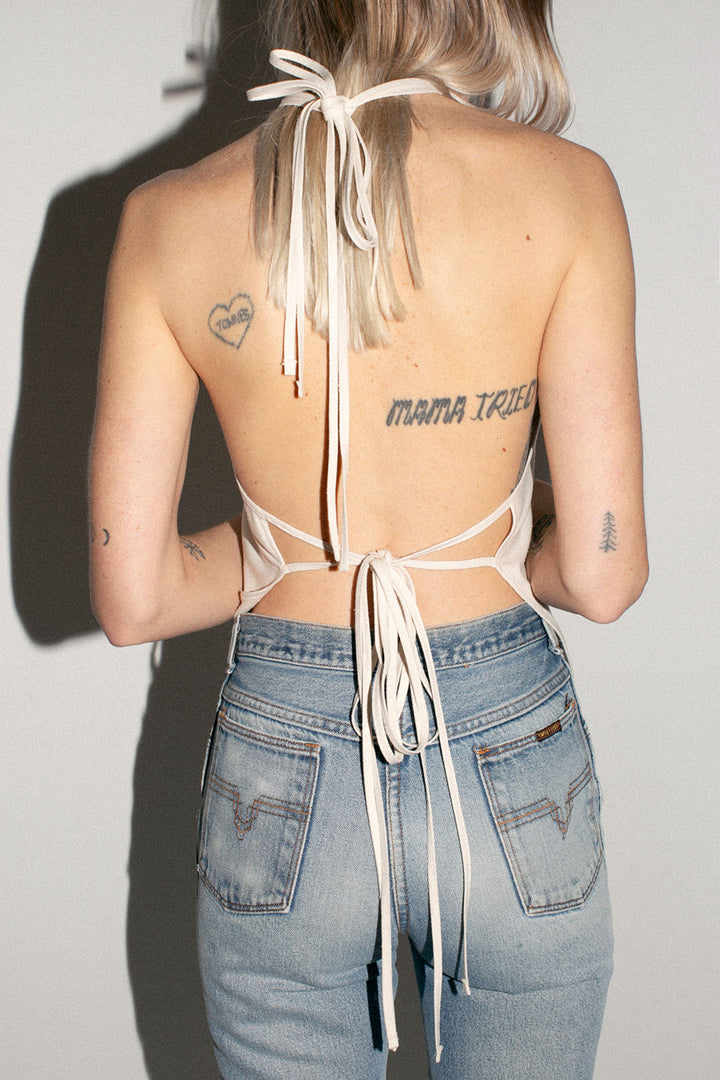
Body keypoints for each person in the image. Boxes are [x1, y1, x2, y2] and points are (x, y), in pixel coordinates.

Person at [89, 1, 648, 1076]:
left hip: (281, 757)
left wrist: (285, 548)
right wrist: (499, 545)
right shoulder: (569, 189)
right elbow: (603, 571)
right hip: (507, 746)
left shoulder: (169, 218)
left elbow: (136, 597)